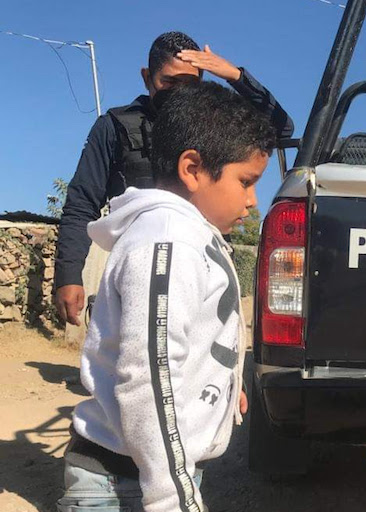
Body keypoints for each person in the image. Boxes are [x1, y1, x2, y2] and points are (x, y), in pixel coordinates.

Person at [56, 80, 274, 512]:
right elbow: (148, 377)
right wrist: (172, 498)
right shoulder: (168, 242)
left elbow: (189, 343)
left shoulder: (186, 237)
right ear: (193, 169)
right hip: (129, 490)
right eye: (246, 181)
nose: (253, 201)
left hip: (138, 482)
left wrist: (222, 392)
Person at [55, 31, 294, 326]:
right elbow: (81, 202)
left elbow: (281, 130)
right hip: (138, 271)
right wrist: (68, 275)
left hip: (204, 269)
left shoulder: (213, 125)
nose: (179, 93)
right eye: (169, 82)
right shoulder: (115, 127)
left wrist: (235, 76)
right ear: (147, 77)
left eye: (190, 84)